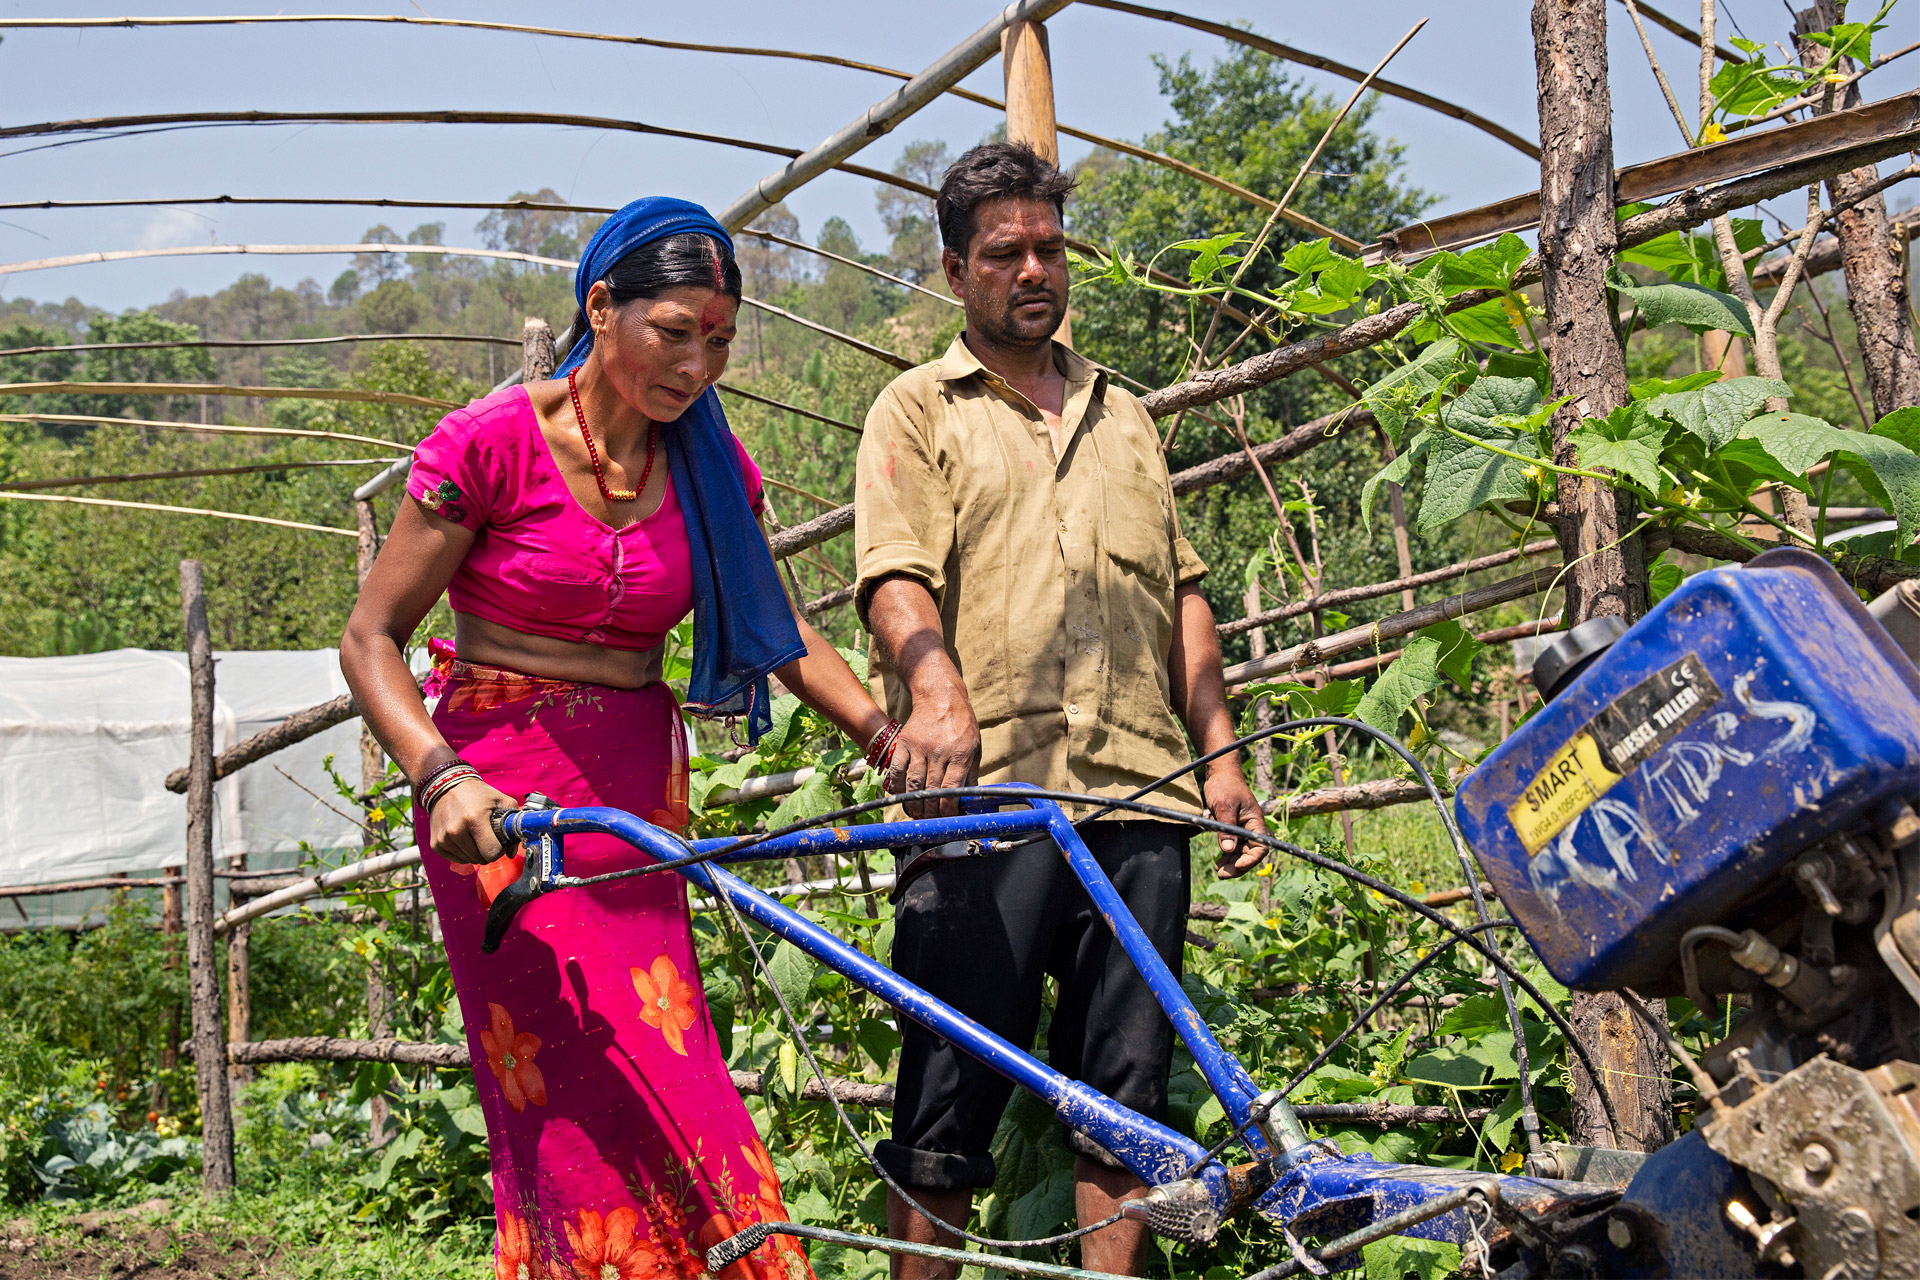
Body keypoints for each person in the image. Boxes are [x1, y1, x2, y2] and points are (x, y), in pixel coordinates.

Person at [341, 197, 891, 1280]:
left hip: (632, 798)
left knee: (677, 1075)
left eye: (721, 339)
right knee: (569, 1098)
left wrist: (885, 732)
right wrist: (440, 775)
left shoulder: (710, 471)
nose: (698, 364)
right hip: (496, 804)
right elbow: (370, 637)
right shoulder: (489, 443)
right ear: (601, 307)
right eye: (676, 331)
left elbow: (780, 631)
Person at [853, 143, 1270, 1277]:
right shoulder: (915, 409)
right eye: (1004, 253)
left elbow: (1181, 590)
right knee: (943, 1105)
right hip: (986, 803)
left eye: (1049, 247)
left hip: (1141, 794)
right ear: (955, 270)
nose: (1033, 269)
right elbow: (896, 573)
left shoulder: (1124, 415)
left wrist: (1219, 754)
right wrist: (935, 688)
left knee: (1121, 1103)